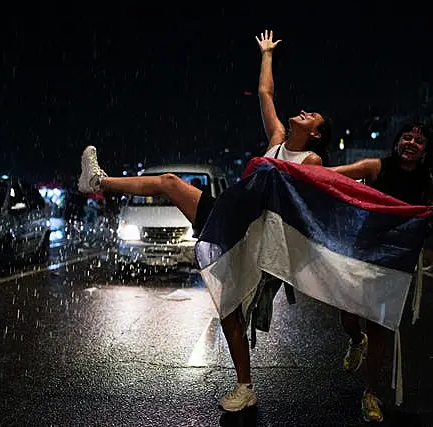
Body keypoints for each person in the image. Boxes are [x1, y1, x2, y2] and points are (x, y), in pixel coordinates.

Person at [78, 29, 332, 413]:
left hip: (255, 233)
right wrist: (266, 54)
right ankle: (97, 181)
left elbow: (319, 194)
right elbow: (266, 94)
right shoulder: (278, 138)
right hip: (229, 210)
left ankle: (245, 386)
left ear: (315, 134)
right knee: (168, 182)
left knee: (230, 308)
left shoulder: (311, 161)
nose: (305, 112)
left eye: (313, 117)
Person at [329, 121, 433, 423]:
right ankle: (354, 340)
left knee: (380, 328)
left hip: (395, 263)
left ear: (425, 151)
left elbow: (425, 216)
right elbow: (334, 177)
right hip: (363, 253)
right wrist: (300, 172)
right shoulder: (375, 167)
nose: (411, 143)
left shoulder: (426, 180)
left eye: (419, 140)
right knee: (348, 317)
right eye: (406, 137)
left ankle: (370, 394)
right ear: (397, 142)